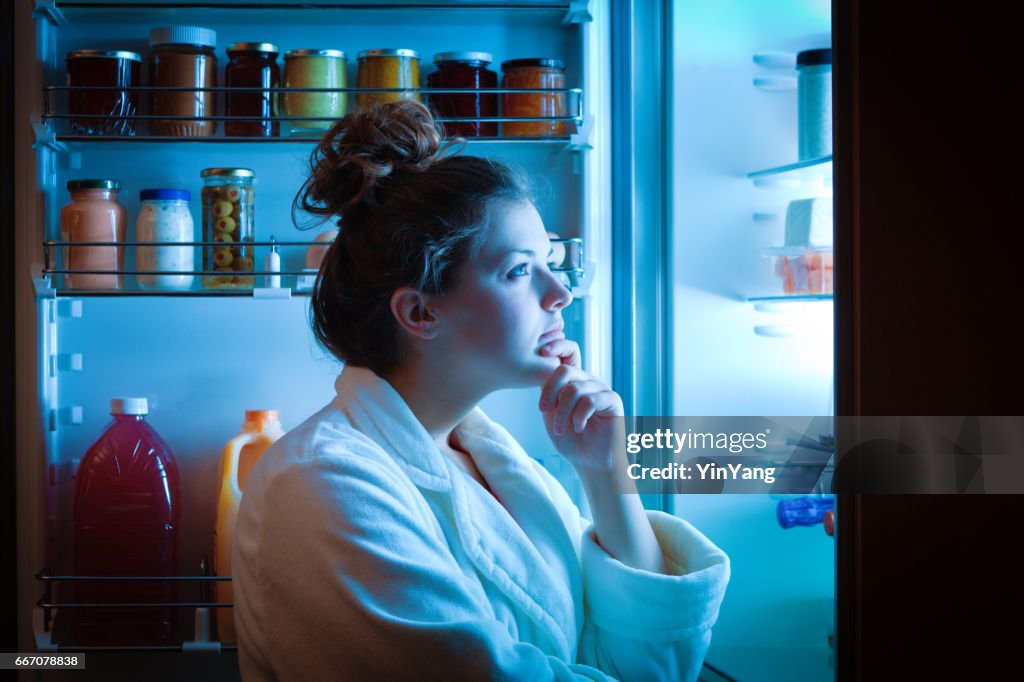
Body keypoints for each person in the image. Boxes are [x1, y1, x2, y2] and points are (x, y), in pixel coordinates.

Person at [232, 100, 729, 682]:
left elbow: (633, 662)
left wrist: (604, 472)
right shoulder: (322, 485)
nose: (560, 293)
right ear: (421, 312)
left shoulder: (498, 463)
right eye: (521, 271)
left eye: (551, 262)